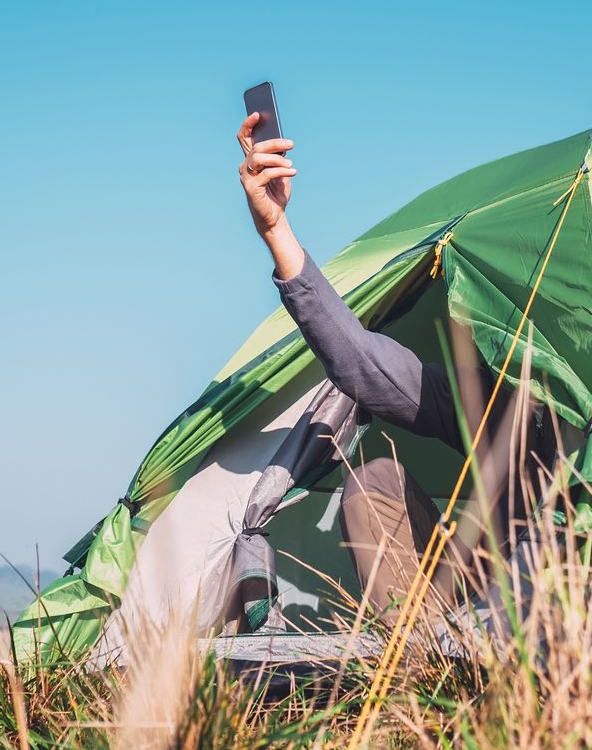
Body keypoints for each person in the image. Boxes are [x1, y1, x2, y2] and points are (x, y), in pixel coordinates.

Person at [236, 114, 563, 621]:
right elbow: (363, 365)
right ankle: (420, 663)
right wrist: (277, 230)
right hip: (481, 596)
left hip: (581, 603)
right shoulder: (500, 399)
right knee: (377, 480)